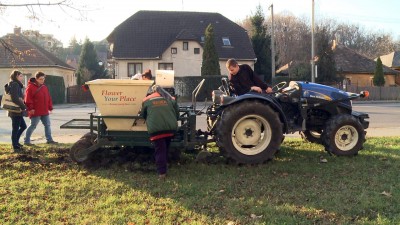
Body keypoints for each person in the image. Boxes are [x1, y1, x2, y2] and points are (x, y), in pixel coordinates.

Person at [140, 85, 179, 179]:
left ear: (152, 92)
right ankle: (164, 167)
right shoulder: (170, 98)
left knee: (160, 151)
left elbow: (143, 115)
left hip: (156, 130)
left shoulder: (147, 100)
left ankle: (162, 173)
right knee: (165, 149)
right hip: (170, 129)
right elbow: (177, 114)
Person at [24, 72, 58, 145]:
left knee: (47, 125)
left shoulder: (44, 87)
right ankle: (26, 141)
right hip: (35, 111)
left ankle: (49, 140)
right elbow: (27, 99)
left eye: (43, 79)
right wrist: (31, 108)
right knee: (33, 126)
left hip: (44, 110)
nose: (42, 80)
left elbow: (48, 98)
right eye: (40, 79)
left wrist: (50, 107)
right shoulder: (30, 87)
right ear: (36, 79)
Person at [4, 70, 27, 152]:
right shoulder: (15, 84)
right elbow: (15, 98)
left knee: (23, 126)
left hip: (16, 110)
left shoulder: (14, 84)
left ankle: (16, 142)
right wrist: (23, 106)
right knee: (16, 128)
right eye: (21, 76)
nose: (22, 77)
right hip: (15, 110)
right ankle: (15, 146)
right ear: (17, 76)